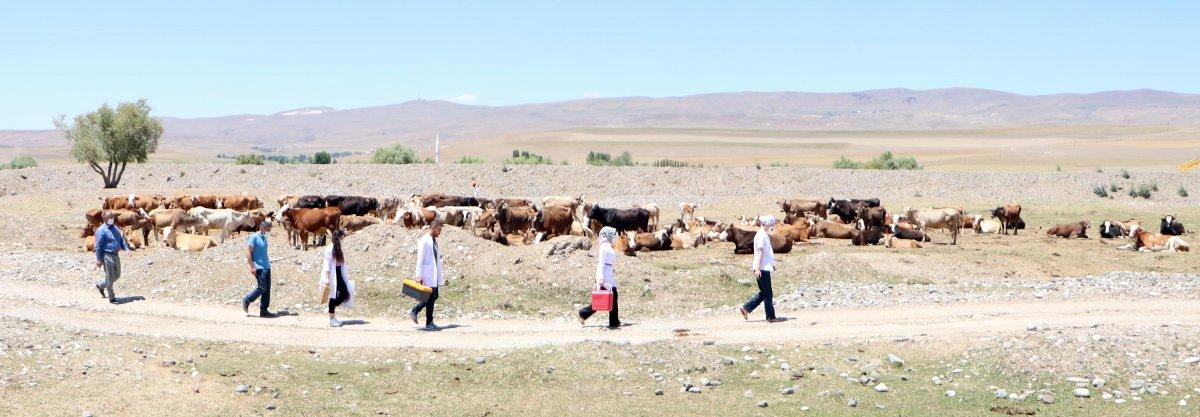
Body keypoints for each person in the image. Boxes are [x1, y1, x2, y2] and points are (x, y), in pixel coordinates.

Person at [739, 215, 782, 323]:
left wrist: (771, 264)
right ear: (767, 224)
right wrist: (757, 268)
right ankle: (770, 317)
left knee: (765, 292)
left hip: (764, 267)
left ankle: (746, 309)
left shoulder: (763, 234)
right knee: (767, 293)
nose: (772, 226)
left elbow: (765, 253)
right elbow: (759, 252)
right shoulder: (762, 235)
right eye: (771, 224)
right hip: (762, 268)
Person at [578, 226, 620, 329]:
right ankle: (583, 313)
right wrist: (600, 278)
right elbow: (601, 263)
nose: (615, 237)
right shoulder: (604, 247)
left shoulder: (608, 246)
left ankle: (614, 321)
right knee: (603, 298)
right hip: (604, 275)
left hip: (608, 273)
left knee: (612, 296)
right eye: (613, 235)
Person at [410, 219, 445, 330]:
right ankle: (428, 322)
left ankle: (415, 311)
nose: (439, 232)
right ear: (433, 228)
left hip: (432, 274)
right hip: (427, 274)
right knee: (431, 297)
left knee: (434, 296)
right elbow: (420, 259)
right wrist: (418, 275)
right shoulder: (424, 240)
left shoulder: (433, 240)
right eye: (438, 230)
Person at [93, 211, 131, 304]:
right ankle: (112, 297)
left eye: (112, 217)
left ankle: (101, 285)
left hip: (116, 255)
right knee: (110, 276)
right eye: (110, 218)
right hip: (107, 255)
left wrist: (126, 249)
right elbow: (98, 246)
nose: (112, 219)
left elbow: (121, 239)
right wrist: (98, 260)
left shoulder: (116, 228)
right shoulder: (101, 230)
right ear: (105, 219)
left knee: (117, 275)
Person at [242, 221, 277, 317]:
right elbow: (248, 251)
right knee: (262, 288)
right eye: (267, 229)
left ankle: (264, 311)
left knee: (267, 289)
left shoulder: (264, 238)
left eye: (269, 229)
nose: (268, 231)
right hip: (259, 268)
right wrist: (252, 266)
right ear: (262, 227)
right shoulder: (254, 237)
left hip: (267, 267)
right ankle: (247, 299)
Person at [320, 229, 354, 327]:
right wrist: (327, 279)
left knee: (343, 294)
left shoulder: (338, 247)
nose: (343, 239)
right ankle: (332, 318)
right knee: (337, 295)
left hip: (338, 273)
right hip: (333, 274)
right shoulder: (330, 248)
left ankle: (332, 310)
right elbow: (326, 264)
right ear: (339, 238)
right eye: (342, 237)